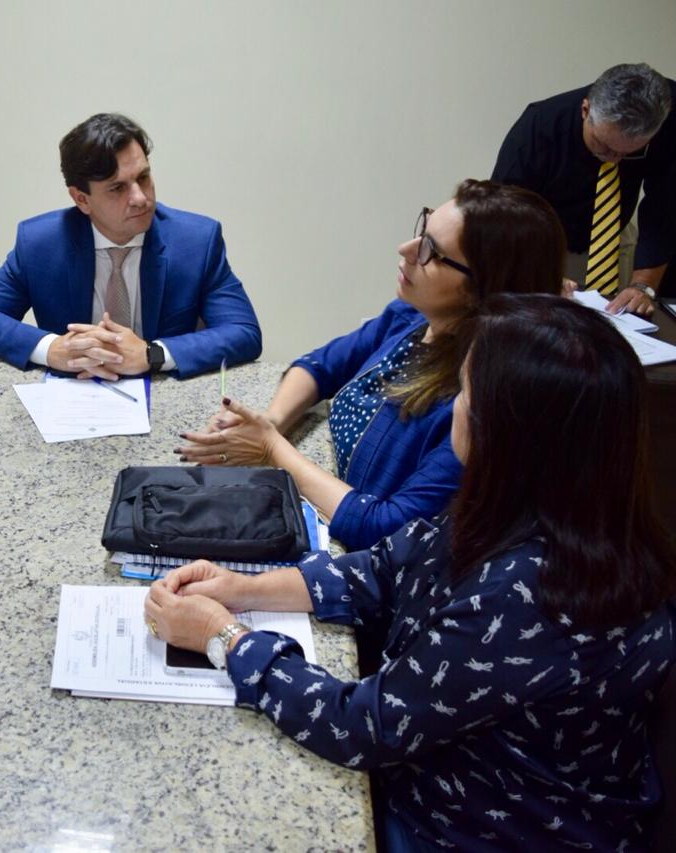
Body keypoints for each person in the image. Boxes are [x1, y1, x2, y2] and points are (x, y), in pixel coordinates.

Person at [147, 294, 676, 850]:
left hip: (471, 829)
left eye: (465, 393)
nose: (454, 409)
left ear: (509, 432)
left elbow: (359, 727)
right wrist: (245, 589)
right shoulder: (549, 508)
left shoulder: (531, 594)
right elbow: (384, 569)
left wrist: (224, 637)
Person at [176, 180, 565, 550]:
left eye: (430, 251)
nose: (406, 249)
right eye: (423, 228)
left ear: (483, 288)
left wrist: (271, 449)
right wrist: (270, 422)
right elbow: (319, 366)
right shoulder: (410, 318)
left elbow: (388, 528)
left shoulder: (478, 401)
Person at [0, 112, 261, 379]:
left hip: (163, 398)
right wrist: (52, 349)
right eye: (117, 188)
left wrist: (152, 355)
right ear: (81, 199)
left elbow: (243, 332)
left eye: (143, 177)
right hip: (70, 399)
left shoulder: (197, 241)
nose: (140, 198)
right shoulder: (41, 243)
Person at [493, 62, 675, 316]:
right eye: (605, 147)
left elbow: (665, 206)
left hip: (614, 239)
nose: (614, 160)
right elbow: (503, 217)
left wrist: (643, 286)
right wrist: (537, 274)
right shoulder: (539, 126)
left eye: (628, 152)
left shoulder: (668, 118)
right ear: (585, 109)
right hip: (544, 242)